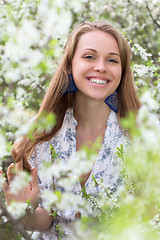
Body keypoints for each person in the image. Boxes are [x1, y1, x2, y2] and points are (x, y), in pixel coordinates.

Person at [2, 21, 140, 239]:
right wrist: (23, 210)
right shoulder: (44, 134)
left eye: (112, 60)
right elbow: (46, 219)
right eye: (89, 57)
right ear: (69, 64)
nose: (101, 67)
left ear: (122, 71)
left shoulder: (143, 137)